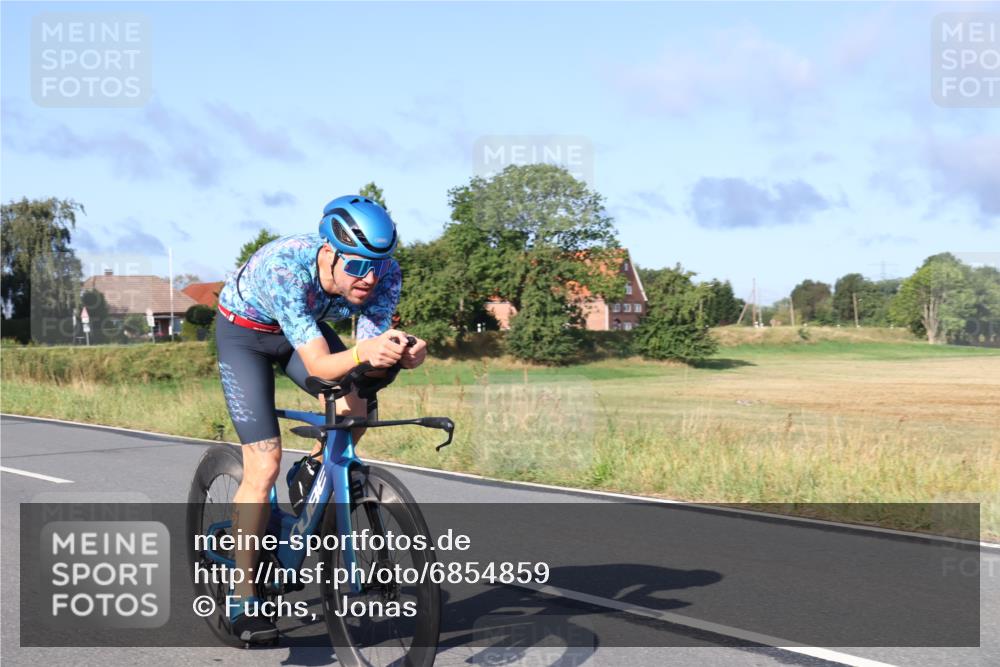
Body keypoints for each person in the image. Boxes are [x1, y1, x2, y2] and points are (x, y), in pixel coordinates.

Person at [214, 195, 427, 642]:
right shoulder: (287, 268)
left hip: (302, 327)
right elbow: (320, 366)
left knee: (356, 407)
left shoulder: (384, 273)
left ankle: (312, 468)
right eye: (357, 266)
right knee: (263, 464)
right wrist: (365, 353)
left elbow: (368, 356)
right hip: (246, 335)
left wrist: (402, 353)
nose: (369, 278)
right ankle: (243, 594)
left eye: (377, 265)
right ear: (329, 252)